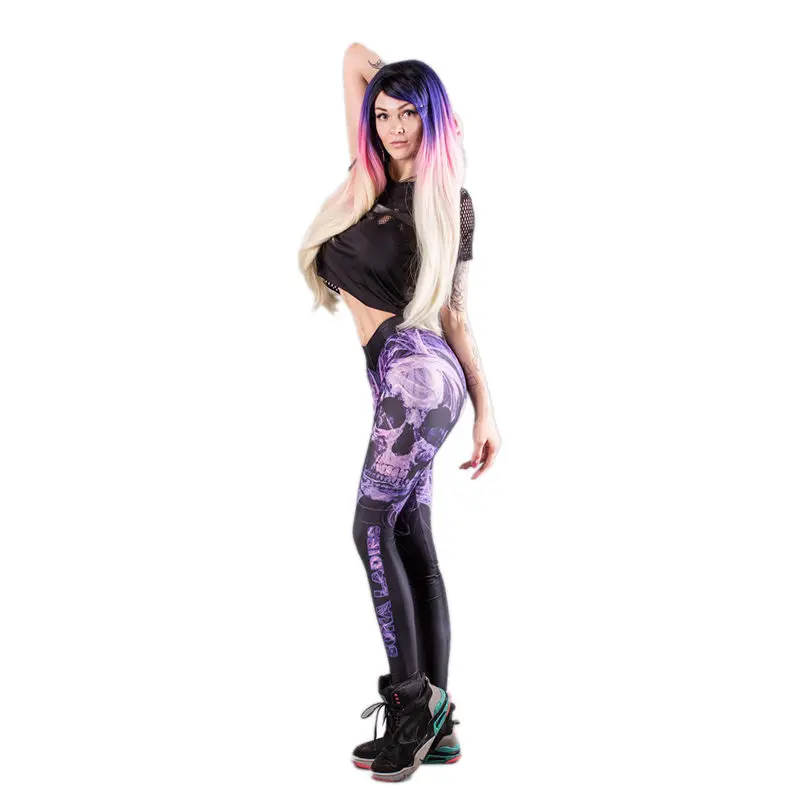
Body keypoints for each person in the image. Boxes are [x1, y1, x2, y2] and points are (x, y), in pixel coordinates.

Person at [298, 43, 501, 783]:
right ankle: (438, 726)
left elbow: (456, 317)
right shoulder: (370, 177)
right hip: (397, 377)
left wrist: (487, 411)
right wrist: (408, 94)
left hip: (419, 374)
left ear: (432, 121)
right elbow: (355, 57)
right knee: (409, 534)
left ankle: (413, 709)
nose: (392, 127)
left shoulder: (449, 201)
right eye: (382, 114)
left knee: (369, 528)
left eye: (409, 115)